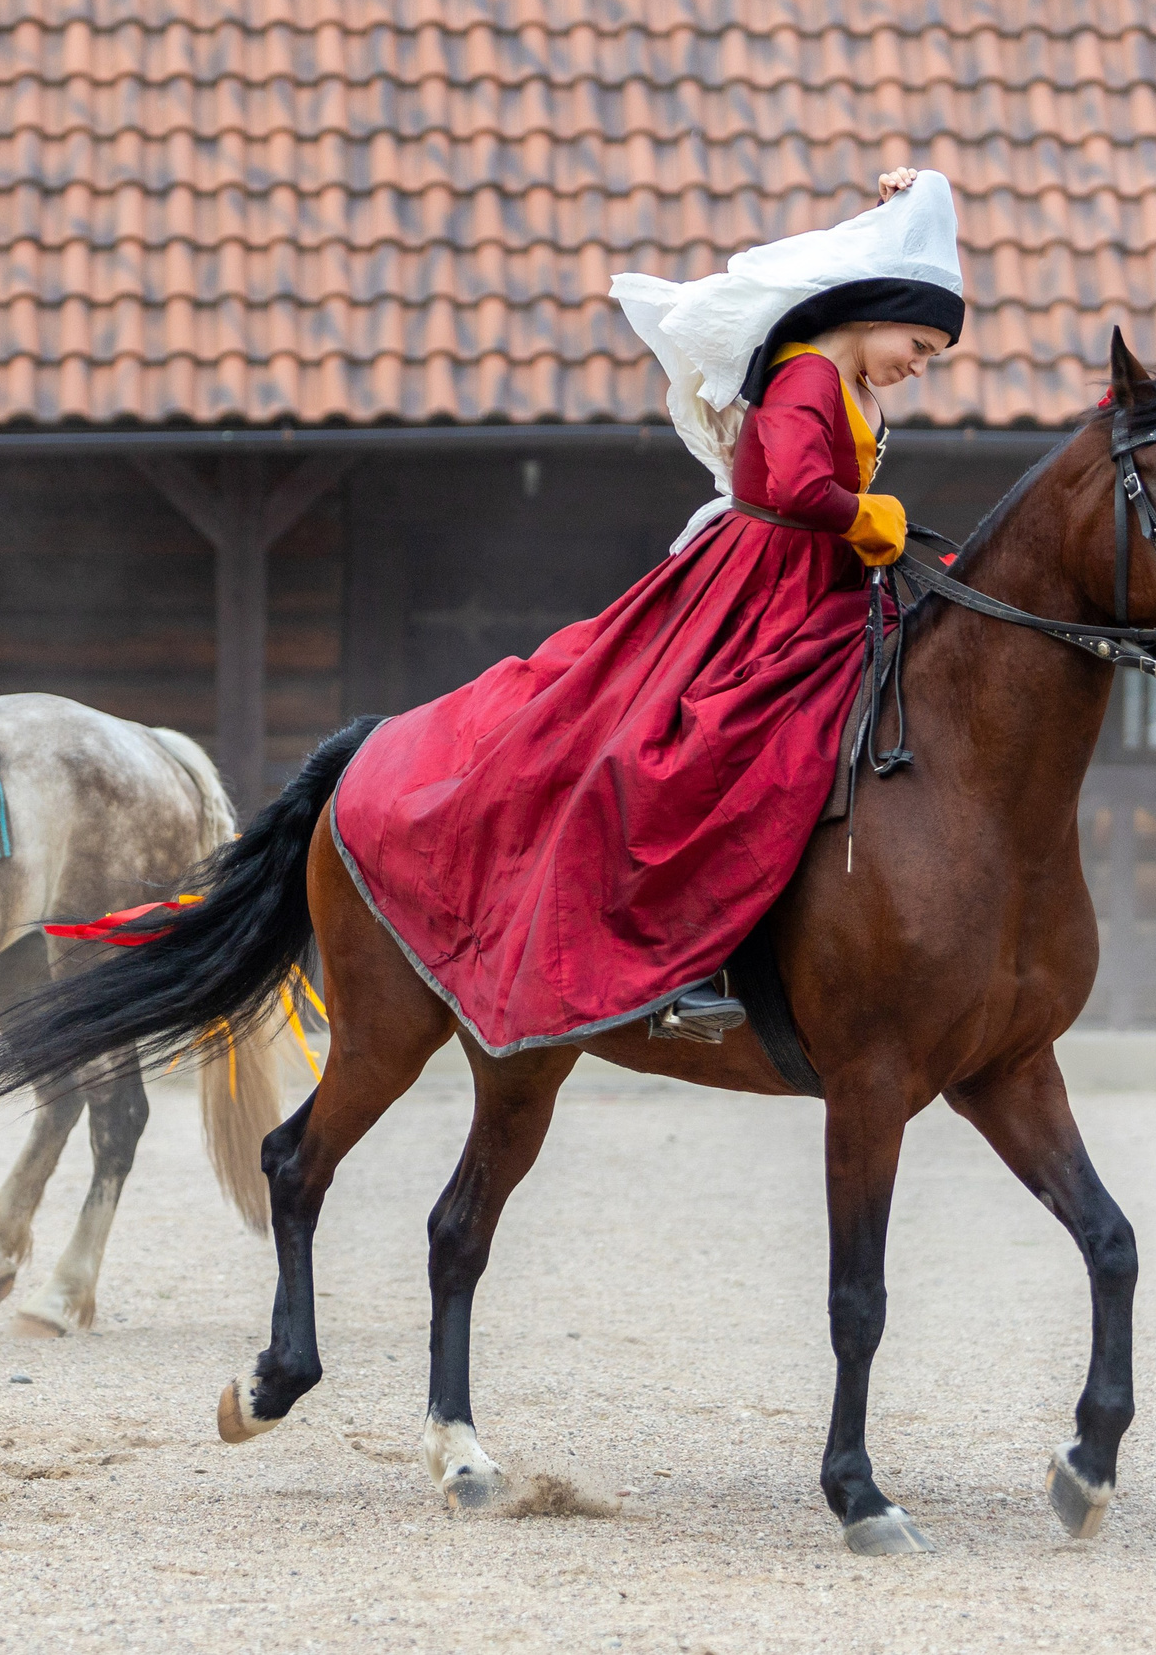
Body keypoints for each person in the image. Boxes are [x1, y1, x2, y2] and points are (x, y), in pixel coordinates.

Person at [330, 169, 965, 1052]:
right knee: (696, 746)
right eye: (919, 343)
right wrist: (867, 517)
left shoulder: (851, 383)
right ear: (876, 307)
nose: (918, 366)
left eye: (931, 356)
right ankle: (676, 961)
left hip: (813, 582)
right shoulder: (809, 373)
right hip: (755, 587)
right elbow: (792, 483)